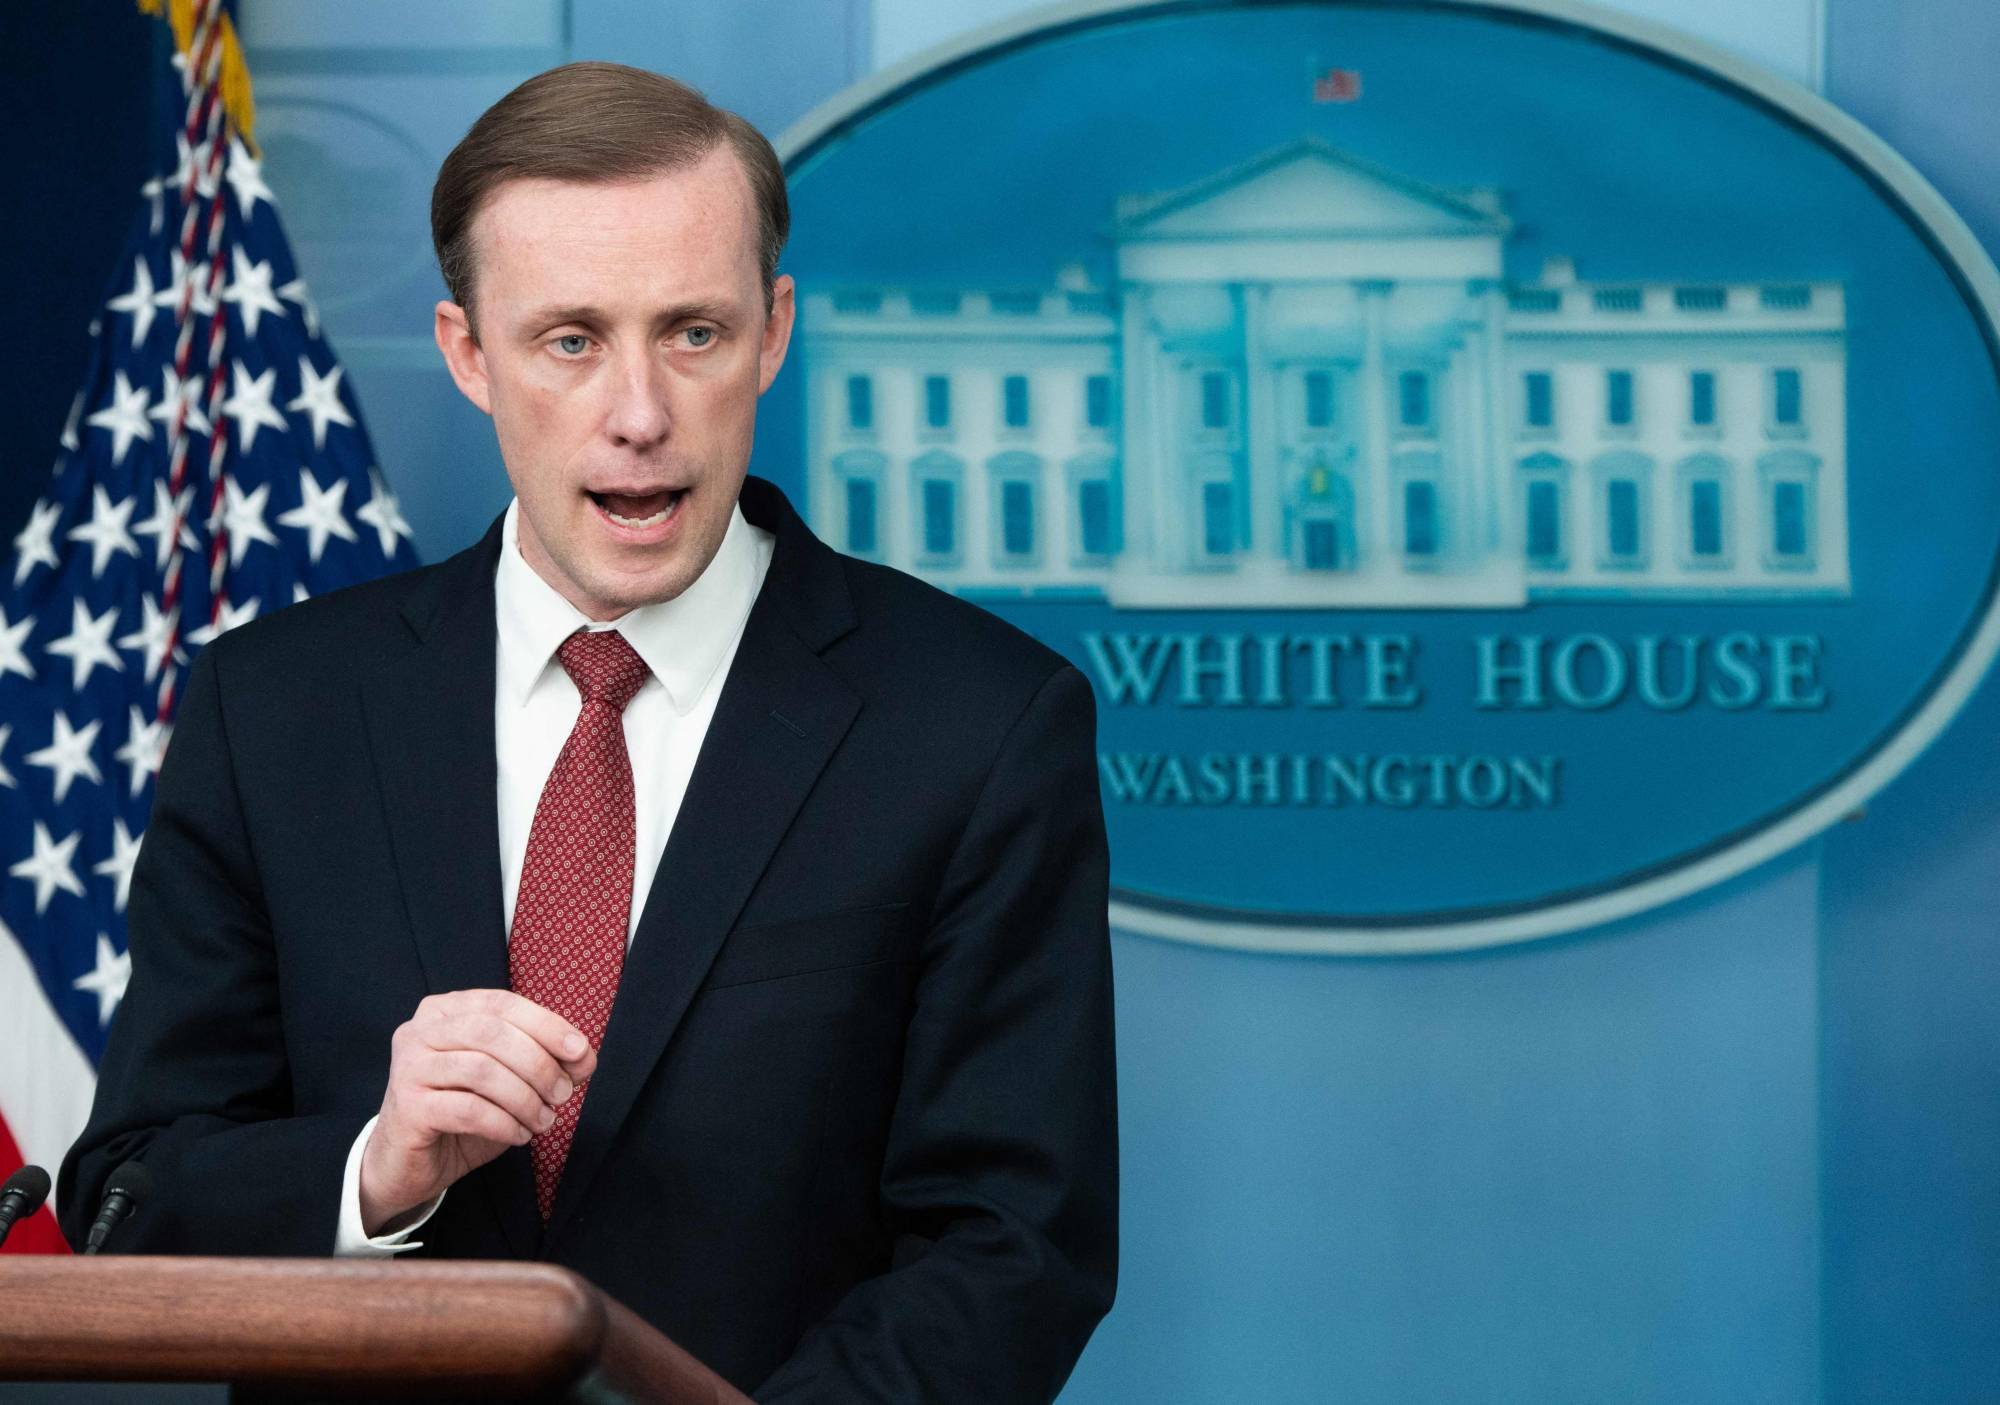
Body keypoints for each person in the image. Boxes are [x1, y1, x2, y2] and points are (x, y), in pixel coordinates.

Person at [59, 62, 1117, 1403]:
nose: (640, 414)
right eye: (571, 340)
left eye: (694, 332)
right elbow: (131, 1195)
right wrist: (375, 1169)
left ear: (774, 332)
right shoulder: (273, 709)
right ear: (468, 355)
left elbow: (1012, 1249)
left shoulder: (980, 722)